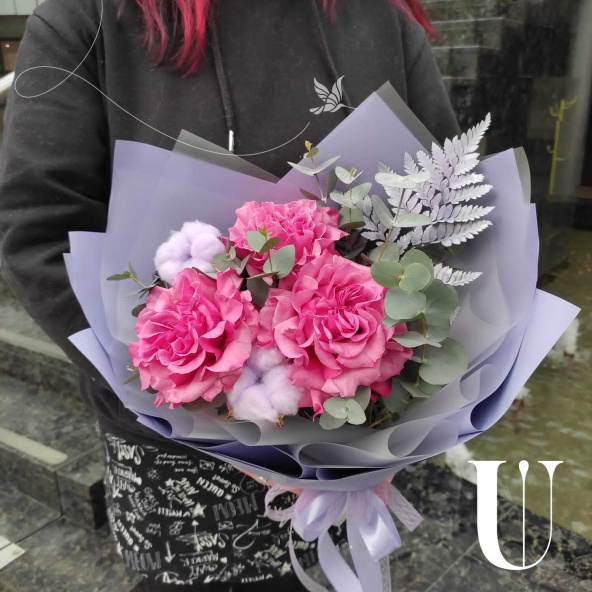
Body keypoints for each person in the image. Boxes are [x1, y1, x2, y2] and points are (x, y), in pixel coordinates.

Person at [0, 0, 459, 589]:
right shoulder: (89, 18)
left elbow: (443, 209)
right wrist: (206, 405)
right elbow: (41, 232)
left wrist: (393, 411)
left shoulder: (379, 18)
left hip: (354, 440)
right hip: (178, 460)